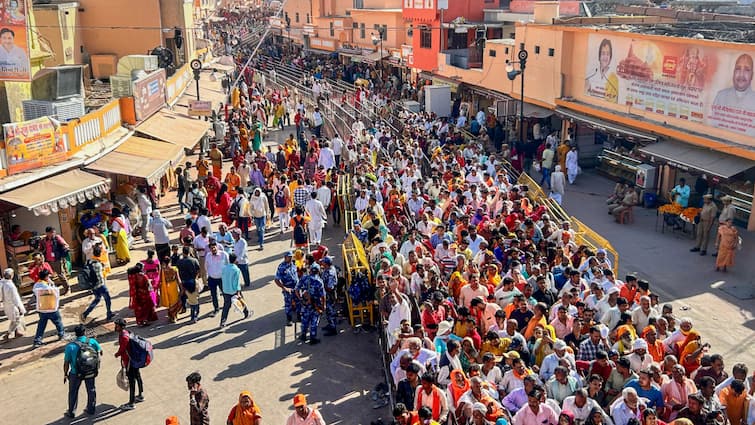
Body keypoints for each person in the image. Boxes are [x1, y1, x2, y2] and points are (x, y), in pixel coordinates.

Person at [63, 324, 102, 418]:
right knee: (91, 389)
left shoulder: (70, 346)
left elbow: (66, 363)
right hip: (90, 371)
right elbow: (100, 352)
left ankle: (71, 411)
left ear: (75, 334)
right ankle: (91, 408)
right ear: (84, 332)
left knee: (73, 392)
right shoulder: (92, 341)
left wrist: (65, 374)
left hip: (76, 373)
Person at [711, 53, 755, 134]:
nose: (741, 74)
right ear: (733, 72)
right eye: (738, 69)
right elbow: (713, 127)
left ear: (752, 75)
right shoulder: (721, 96)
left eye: (747, 70)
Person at [114, 318, 144, 410]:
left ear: (121, 326)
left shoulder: (123, 336)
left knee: (132, 381)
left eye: (117, 325)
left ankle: (131, 403)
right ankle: (140, 395)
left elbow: (123, 349)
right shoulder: (127, 332)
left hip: (129, 362)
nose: (115, 327)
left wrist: (117, 354)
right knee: (138, 376)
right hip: (134, 359)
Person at [80, 245, 114, 322]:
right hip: (101, 285)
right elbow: (102, 274)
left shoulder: (89, 261)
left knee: (97, 299)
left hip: (93, 286)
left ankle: (85, 314)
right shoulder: (99, 264)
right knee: (107, 299)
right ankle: (109, 314)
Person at [33, 269, 65, 348]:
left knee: (41, 324)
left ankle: (37, 340)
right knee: (58, 322)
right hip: (51, 307)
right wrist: (52, 283)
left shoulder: (36, 285)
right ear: (46, 277)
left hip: (42, 308)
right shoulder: (48, 285)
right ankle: (61, 334)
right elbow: (55, 293)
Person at [296, 263, 326, 344]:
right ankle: (313, 338)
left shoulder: (304, 278)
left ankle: (303, 336)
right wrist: (323, 306)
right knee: (314, 322)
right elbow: (323, 296)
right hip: (315, 305)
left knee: (304, 320)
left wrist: (301, 299)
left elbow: (297, 289)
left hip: (305, 304)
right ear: (318, 271)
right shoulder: (319, 281)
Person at [220, 253, 249, 327]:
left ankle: (223, 321)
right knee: (241, 301)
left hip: (226, 290)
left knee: (226, 306)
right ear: (235, 260)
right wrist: (238, 292)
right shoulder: (236, 269)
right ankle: (246, 313)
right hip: (234, 291)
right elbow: (236, 283)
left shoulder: (224, 268)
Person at [585, 38, 618, 102]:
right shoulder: (591, 74)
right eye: (603, 53)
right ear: (599, 56)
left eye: (608, 54)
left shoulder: (614, 79)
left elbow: (614, 101)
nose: (605, 57)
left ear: (610, 57)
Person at [40, 226, 70, 293]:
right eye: (51, 232)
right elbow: (41, 249)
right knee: (47, 275)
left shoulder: (57, 238)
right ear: (47, 233)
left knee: (61, 275)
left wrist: (65, 249)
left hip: (56, 259)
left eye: (53, 232)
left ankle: (67, 289)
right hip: (48, 260)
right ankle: (50, 290)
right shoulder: (44, 240)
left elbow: (65, 245)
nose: (53, 234)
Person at [275, 250, 300, 326]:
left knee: (298, 302)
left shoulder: (293, 264)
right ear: (285, 257)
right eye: (289, 257)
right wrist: (284, 288)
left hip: (296, 288)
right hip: (288, 289)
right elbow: (276, 280)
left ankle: (299, 316)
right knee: (288, 304)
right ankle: (289, 319)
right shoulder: (281, 267)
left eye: (291, 257)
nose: (291, 258)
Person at [206, 242, 230, 317]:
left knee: (225, 292)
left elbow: (228, 265)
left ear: (217, 247)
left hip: (222, 278)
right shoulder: (208, 256)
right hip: (212, 278)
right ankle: (216, 309)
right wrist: (208, 275)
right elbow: (206, 266)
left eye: (214, 247)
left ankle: (227, 305)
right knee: (213, 295)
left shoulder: (224, 254)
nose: (213, 249)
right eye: (211, 248)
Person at [1, 268, 25, 339]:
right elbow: (15, 298)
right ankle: (8, 334)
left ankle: (17, 332)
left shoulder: (2, 283)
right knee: (16, 320)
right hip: (13, 305)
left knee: (14, 319)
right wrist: (19, 307)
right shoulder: (10, 286)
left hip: (6, 304)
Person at [159, 256, 182, 323]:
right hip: (174, 287)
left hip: (166, 288)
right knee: (176, 302)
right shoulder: (174, 269)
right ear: (169, 262)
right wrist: (181, 288)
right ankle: (174, 316)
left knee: (170, 303)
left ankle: (171, 316)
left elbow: (160, 280)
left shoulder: (162, 271)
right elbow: (178, 280)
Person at [320, 256, 338, 336]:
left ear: (326, 263)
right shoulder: (328, 269)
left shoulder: (330, 273)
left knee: (330, 312)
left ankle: (333, 329)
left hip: (329, 296)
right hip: (327, 295)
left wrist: (322, 287)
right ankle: (330, 325)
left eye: (323, 262)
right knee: (328, 312)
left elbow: (330, 287)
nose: (322, 263)